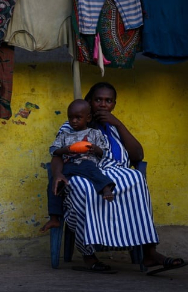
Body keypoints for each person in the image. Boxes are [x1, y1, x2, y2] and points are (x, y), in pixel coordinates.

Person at [50, 82, 186, 274]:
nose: (103, 105)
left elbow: (137, 155)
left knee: (136, 179)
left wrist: (118, 123)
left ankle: (149, 253)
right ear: (89, 102)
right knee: (83, 188)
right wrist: (58, 173)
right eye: (98, 100)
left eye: (108, 101)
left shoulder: (113, 126)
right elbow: (57, 154)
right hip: (83, 171)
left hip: (115, 170)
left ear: (114, 104)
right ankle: (89, 256)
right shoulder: (74, 123)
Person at [40, 99, 115, 233]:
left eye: (78, 117)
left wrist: (95, 149)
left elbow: (104, 152)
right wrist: (65, 150)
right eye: (71, 117)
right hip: (69, 165)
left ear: (88, 118)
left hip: (86, 164)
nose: (74, 121)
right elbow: (53, 150)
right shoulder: (64, 134)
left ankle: (106, 189)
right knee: (54, 183)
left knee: (93, 171)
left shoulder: (94, 133)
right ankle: (54, 217)